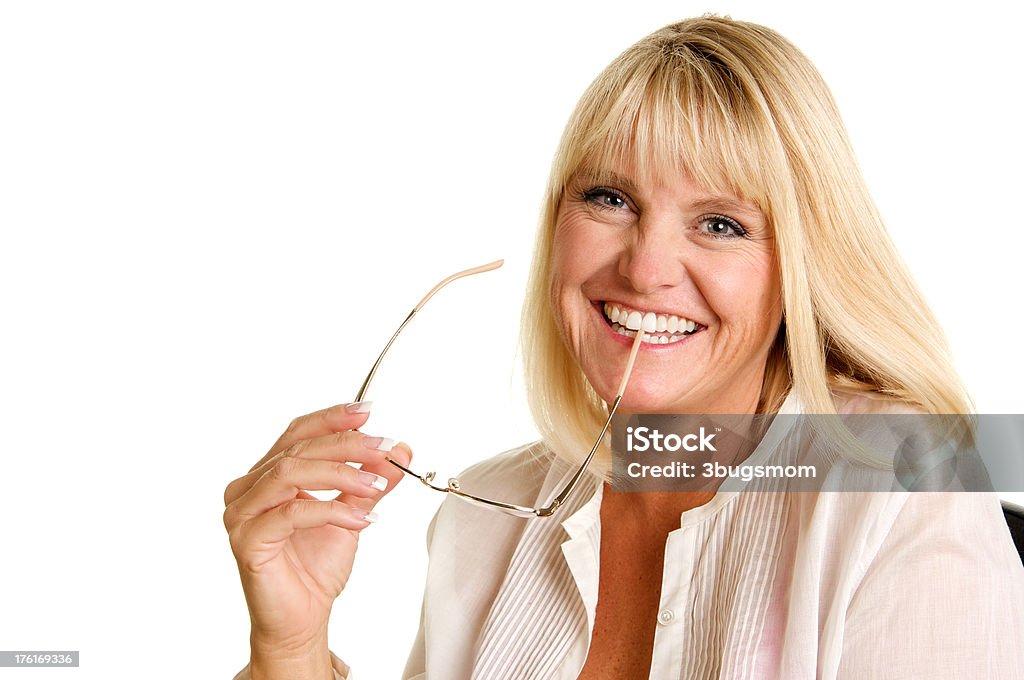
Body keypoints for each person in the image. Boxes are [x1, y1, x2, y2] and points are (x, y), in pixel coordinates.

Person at [224, 15, 1024, 679]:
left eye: (721, 225)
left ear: (804, 265)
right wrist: (289, 650)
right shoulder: (486, 517)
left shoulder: (908, 484)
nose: (643, 269)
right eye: (610, 198)